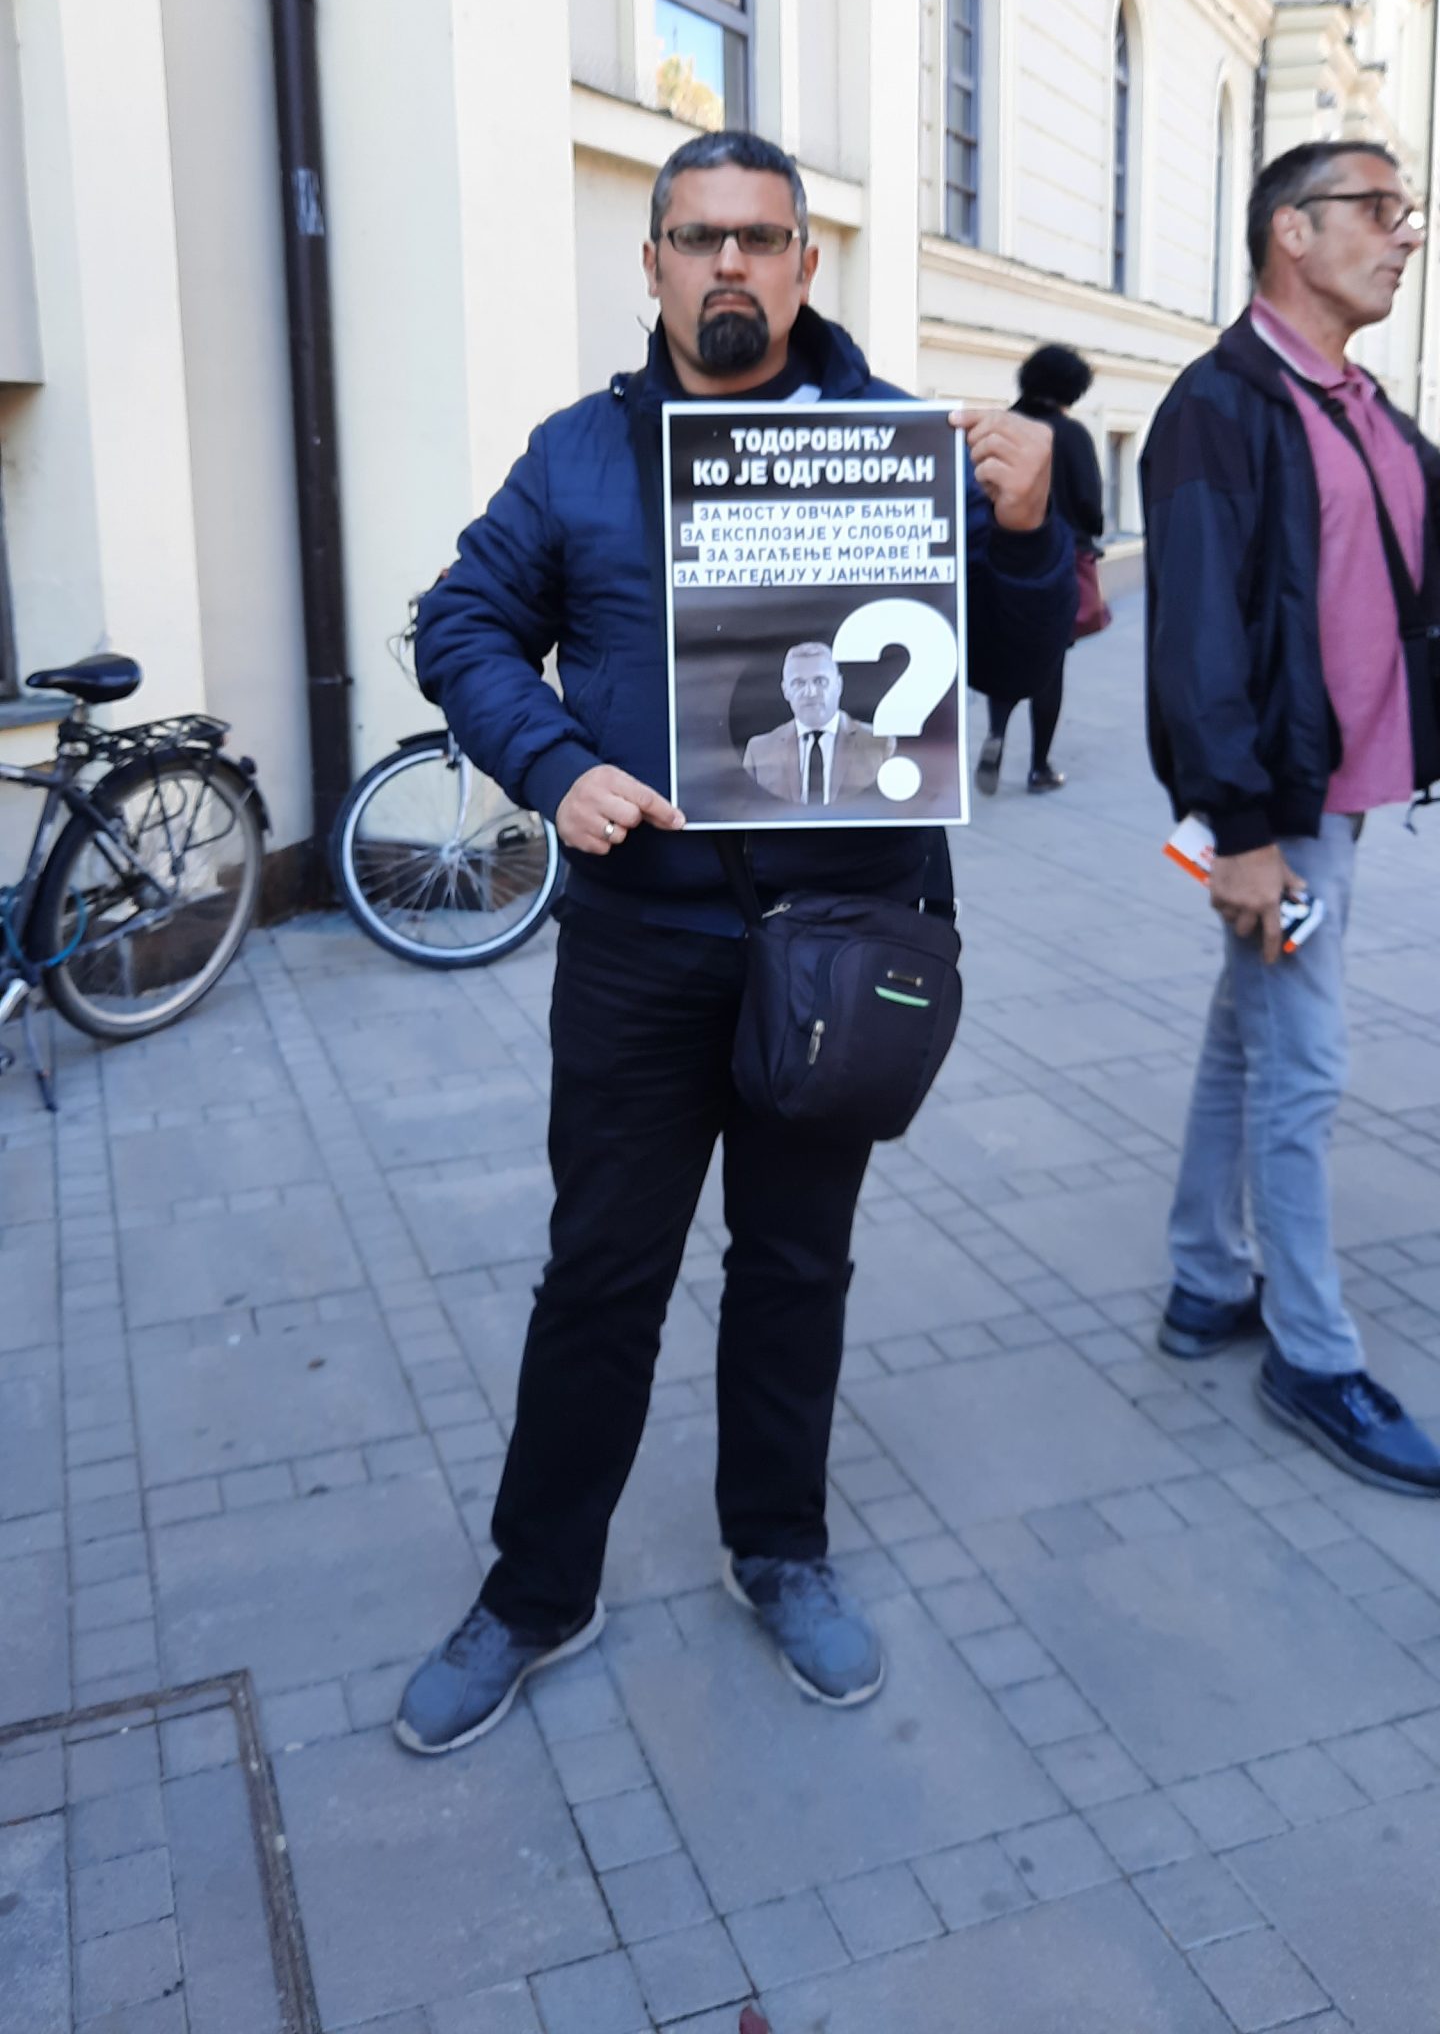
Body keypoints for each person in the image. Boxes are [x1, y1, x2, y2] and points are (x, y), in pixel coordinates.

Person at [395, 128, 1074, 1756]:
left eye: (758, 240)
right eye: (695, 239)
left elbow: (1023, 651)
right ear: (650, 266)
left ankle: (778, 1548)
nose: (727, 268)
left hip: (837, 948)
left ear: (802, 263)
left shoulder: (894, 441)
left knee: (795, 1267)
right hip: (642, 948)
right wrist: (553, 768)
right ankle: (536, 1589)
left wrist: (1035, 529)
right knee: (602, 1277)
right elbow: (459, 621)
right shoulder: (577, 456)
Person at [1143, 138, 1440, 1494]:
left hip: (1346, 796)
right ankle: (1314, 1357)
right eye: (1377, 210)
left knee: (1243, 1036)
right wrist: (1243, 829)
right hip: (1285, 813)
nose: (1404, 235)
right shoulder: (1222, 406)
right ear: (1290, 235)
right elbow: (1201, 633)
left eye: (1406, 212)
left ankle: (1209, 1282)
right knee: (1303, 1062)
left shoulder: (1365, 406)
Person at [976, 343, 1104, 795]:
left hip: (1000, 558)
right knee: (1049, 665)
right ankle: (1039, 767)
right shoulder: (1070, 436)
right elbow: (1090, 504)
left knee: (1004, 653)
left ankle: (995, 734)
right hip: (1058, 565)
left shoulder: (1001, 428)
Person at [742, 641, 893, 806]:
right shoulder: (759, 751)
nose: (810, 692)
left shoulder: (880, 744)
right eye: (798, 683)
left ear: (839, 685)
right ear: (785, 690)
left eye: (820, 681)